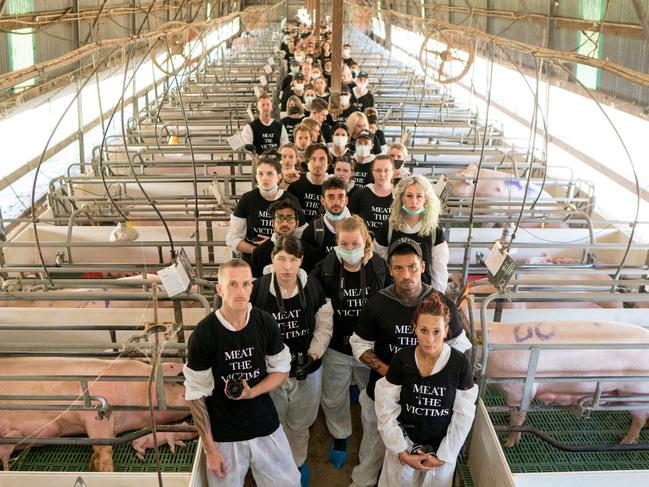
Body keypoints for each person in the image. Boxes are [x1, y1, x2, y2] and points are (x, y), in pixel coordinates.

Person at [348, 238, 471, 487]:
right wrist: (391, 371)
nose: (407, 275)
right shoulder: (378, 303)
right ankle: (363, 481)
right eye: (399, 268)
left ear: (423, 266)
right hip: (383, 390)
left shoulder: (441, 304)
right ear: (390, 270)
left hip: (430, 399)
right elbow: (359, 344)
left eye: (412, 267)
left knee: (423, 457)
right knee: (374, 442)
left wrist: (434, 377)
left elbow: (459, 347)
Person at [183, 258, 301, 487]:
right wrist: (210, 450)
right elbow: (196, 393)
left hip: (263, 423)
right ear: (219, 289)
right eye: (232, 284)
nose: (240, 291)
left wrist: (253, 392)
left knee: (288, 483)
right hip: (225, 433)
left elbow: (281, 369)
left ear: (252, 287)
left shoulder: (264, 321)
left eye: (246, 284)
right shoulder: (204, 333)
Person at [251, 235, 334, 485]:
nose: (287, 267)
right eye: (281, 259)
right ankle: (278, 466)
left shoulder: (313, 286)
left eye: (293, 259)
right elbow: (249, 329)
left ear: (302, 260)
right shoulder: (259, 288)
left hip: (307, 367)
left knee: (301, 421)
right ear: (272, 259)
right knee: (274, 421)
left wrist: (314, 354)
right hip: (270, 371)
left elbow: (324, 325)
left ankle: (298, 462)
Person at [309, 216, 390, 470]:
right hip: (337, 347)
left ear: (365, 240)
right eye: (345, 243)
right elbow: (313, 307)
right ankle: (341, 436)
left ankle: (375, 437)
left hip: (369, 349)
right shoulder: (324, 269)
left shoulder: (379, 267)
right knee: (333, 397)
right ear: (336, 242)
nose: (351, 249)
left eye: (356, 243)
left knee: (374, 397)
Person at [375, 292, 478, 487]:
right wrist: (401, 451)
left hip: (441, 450)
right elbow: (385, 408)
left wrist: (444, 455)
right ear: (414, 329)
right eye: (423, 330)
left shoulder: (459, 364)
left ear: (446, 330)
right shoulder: (402, 360)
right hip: (405, 445)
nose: (430, 339)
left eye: (437, 331)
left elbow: (463, 415)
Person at [374, 175, 449, 292]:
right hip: (393, 293)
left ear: (426, 199)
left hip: (424, 294)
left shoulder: (435, 231)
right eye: (409, 196)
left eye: (419, 196)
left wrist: (436, 297)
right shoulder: (388, 227)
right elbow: (379, 266)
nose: (414, 201)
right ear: (402, 197)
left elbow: (439, 269)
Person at [226, 155, 305, 262]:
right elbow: (232, 238)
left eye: (270, 173)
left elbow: (301, 236)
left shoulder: (290, 199)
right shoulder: (247, 198)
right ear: (256, 176)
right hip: (253, 260)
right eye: (260, 174)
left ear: (279, 176)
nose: (264, 178)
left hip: (284, 259)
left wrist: (277, 247)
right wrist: (260, 250)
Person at [251, 199, 318, 278]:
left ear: (297, 224)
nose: (285, 223)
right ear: (273, 223)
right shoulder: (258, 253)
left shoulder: (309, 252)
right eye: (279, 218)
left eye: (290, 219)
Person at [302, 177, 351, 262]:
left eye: (340, 197)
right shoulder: (312, 230)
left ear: (346, 200)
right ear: (322, 200)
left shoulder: (358, 229)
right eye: (331, 197)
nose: (336, 202)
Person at [348, 155, 394, 232]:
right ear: (372, 171)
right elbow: (350, 221)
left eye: (386, 170)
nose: (382, 174)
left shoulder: (399, 196)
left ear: (392, 172)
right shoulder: (360, 194)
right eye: (378, 170)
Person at [288, 143, 331, 222]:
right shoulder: (296, 182)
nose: (318, 164)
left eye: (322, 159)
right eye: (313, 159)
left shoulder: (333, 185)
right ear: (307, 162)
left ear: (328, 161)